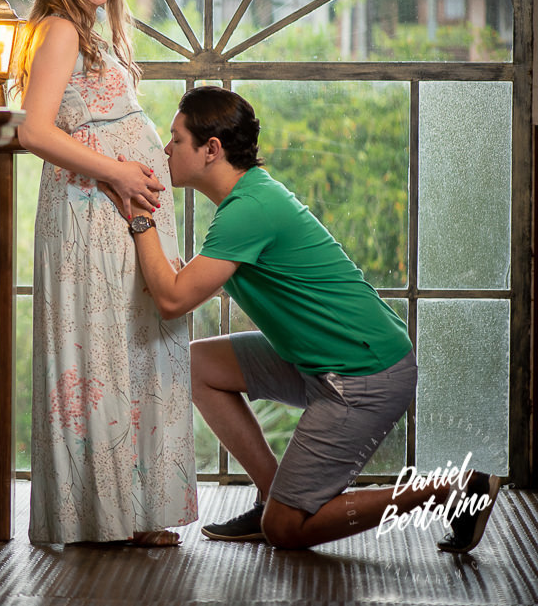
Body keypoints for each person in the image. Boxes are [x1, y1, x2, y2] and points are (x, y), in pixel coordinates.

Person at [123, 85, 500, 552]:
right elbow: (203, 283)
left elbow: (172, 301)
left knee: (288, 531)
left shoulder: (249, 210)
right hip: (320, 360)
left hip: (365, 374)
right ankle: (271, 495)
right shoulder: (247, 200)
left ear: (211, 150)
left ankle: (448, 490)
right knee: (196, 365)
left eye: (176, 139)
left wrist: (140, 218)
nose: (166, 149)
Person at [13, 0, 197, 546]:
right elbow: (32, 130)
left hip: (119, 212)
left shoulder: (97, 30)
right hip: (92, 212)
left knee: (130, 351)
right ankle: (103, 516)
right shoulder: (62, 28)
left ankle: (133, 511)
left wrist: (131, 176)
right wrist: (120, 172)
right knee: (101, 355)